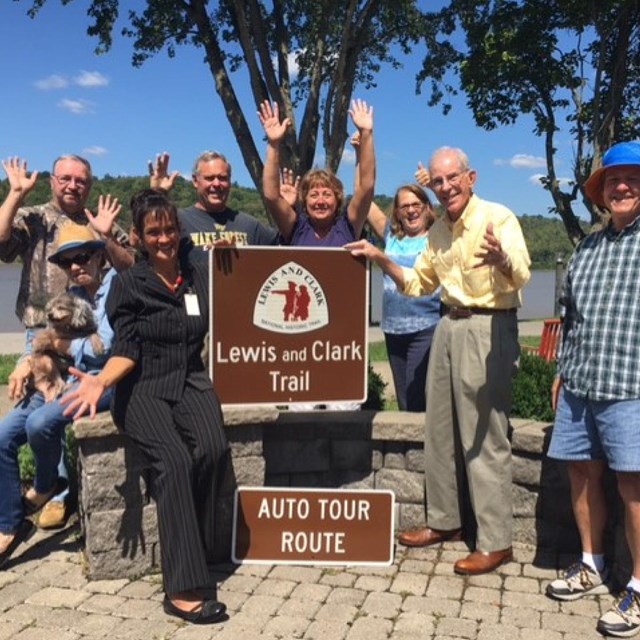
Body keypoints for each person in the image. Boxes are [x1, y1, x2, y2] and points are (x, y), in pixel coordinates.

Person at [347, 146, 531, 575]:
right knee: (440, 430)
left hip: (488, 325)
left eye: (452, 178)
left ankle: (495, 541)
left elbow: (521, 273)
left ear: (471, 178)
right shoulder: (438, 233)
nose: (445, 186)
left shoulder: (497, 218)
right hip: (447, 325)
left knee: (485, 435)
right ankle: (445, 522)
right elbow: (417, 283)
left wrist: (501, 259)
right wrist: (380, 259)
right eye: (438, 179)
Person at [61, 189, 228, 624]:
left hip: (191, 379)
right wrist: (100, 380)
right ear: (137, 236)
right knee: (173, 462)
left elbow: (238, 285)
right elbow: (128, 348)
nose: (164, 238)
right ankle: (181, 588)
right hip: (143, 388)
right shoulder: (129, 283)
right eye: (153, 231)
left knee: (213, 450)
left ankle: (202, 544)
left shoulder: (196, 271)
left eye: (170, 228)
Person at [0, 155, 132, 529]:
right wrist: (13, 195)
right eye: (65, 179)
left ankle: (54, 496)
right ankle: (15, 517)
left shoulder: (99, 231)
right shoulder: (35, 216)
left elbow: (133, 262)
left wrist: (105, 236)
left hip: (83, 357)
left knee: (43, 422)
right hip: (43, 330)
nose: (73, 186)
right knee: (17, 427)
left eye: (81, 180)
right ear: (53, 181)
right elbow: (1, 241)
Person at [544, 141, 640, 637]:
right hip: (582, 384)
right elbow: (570, 318)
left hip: (632, 386)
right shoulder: (587, 248)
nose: (621, 187)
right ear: (601, 192)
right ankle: (592, 561)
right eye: (613, 180)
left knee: (634, 488)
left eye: (632, 179)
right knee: (581, 473)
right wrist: (562, 368)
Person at [0, 222, 116, 568]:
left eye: (82, 257)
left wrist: (61, 343)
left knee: (39, 424)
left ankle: (46, 486)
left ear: (99, 256)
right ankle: (10, 521)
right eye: (67, 262)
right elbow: (40, 336)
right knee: (3, 436)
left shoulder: (116, 287)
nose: (76, 266)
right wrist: (24, 363)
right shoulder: (71, 296)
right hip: (58, 379)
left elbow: (104, 346)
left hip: (99, 381)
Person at [258, 99, 375, 246]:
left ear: (337, 199)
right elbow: (271, 196)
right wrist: (273, 144)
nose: (320, 201)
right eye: (313, 195)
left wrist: (366, 133)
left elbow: (367, 186)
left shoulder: (348, 226)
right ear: (305, 201)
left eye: (327, 194)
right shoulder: (296, 228)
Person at [366, 181, 440, 412]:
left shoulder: (439, 237)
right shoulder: (391, 236)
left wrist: (434, 185)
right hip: (393, 330)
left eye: (416, 204)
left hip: (427, 328)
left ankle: (424, 447)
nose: (411, 210)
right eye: (404, 206)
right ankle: (410, 447)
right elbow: (364, 197)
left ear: (428, 207)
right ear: (397, 212)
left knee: (417, 397)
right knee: (404, 399)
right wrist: (361, 152)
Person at [149, 151, 278, 261]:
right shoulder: (177, 220)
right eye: (209, 178)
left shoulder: (250, 225)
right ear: (195, 181)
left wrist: (288, 206)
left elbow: (289, 245)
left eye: (222, 178)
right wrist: (156, 194)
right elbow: (137, 241)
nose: (216, 184)